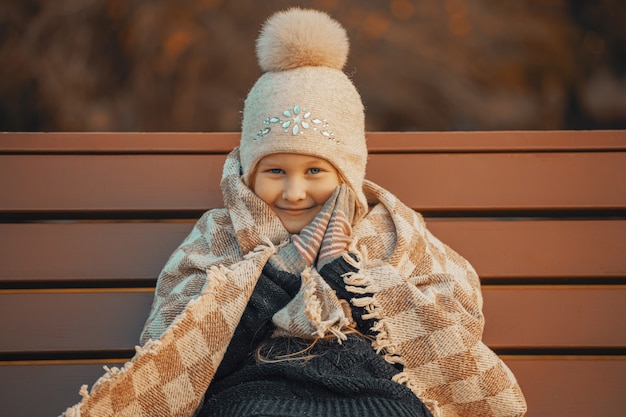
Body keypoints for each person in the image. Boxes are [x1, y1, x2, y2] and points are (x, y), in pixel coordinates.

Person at [62, 8, 527, 417]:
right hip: (256, 389)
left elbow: (451, 331)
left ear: (346, 173)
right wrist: (275, 276)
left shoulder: (392, 232)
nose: (294, 191)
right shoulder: (220, 235)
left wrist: (345, 272)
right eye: (275, 170)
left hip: (377, 391)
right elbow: (174, 347)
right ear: (248, 172)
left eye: (315, 171)